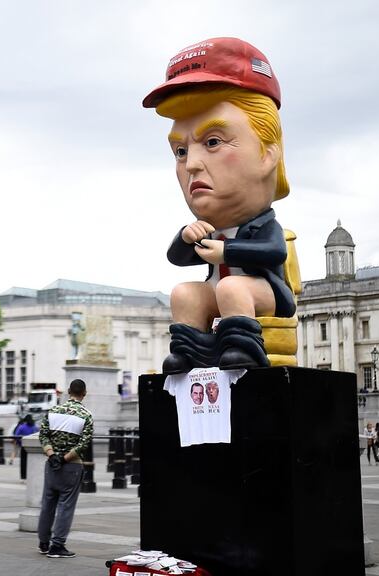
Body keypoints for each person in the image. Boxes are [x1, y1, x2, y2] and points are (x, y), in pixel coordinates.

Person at [144, 38, 295, 372]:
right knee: (185, 293)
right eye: (180, 151)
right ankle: (189, 351)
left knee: (232, 287)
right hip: (218, 291)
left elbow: (274, 252)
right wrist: (186, 237)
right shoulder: (208, 228)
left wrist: (227, 253)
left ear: (267, 154)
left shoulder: (262, 224)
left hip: (264, 294)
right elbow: (176, 259)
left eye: (213, 141)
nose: (191, 164)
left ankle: (242, 348)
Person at [37, 379, 94, 559]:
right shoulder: (86, 415)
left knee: (47, 503)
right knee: (66, 505)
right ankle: (58, 545)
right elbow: (84, 443)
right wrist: (65, 458)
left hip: (51, 464)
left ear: (69, 391)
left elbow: (43, 435)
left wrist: (52, 455)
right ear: (84, 393)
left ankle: (43, 543)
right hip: (72, 466)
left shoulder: (52, 411)